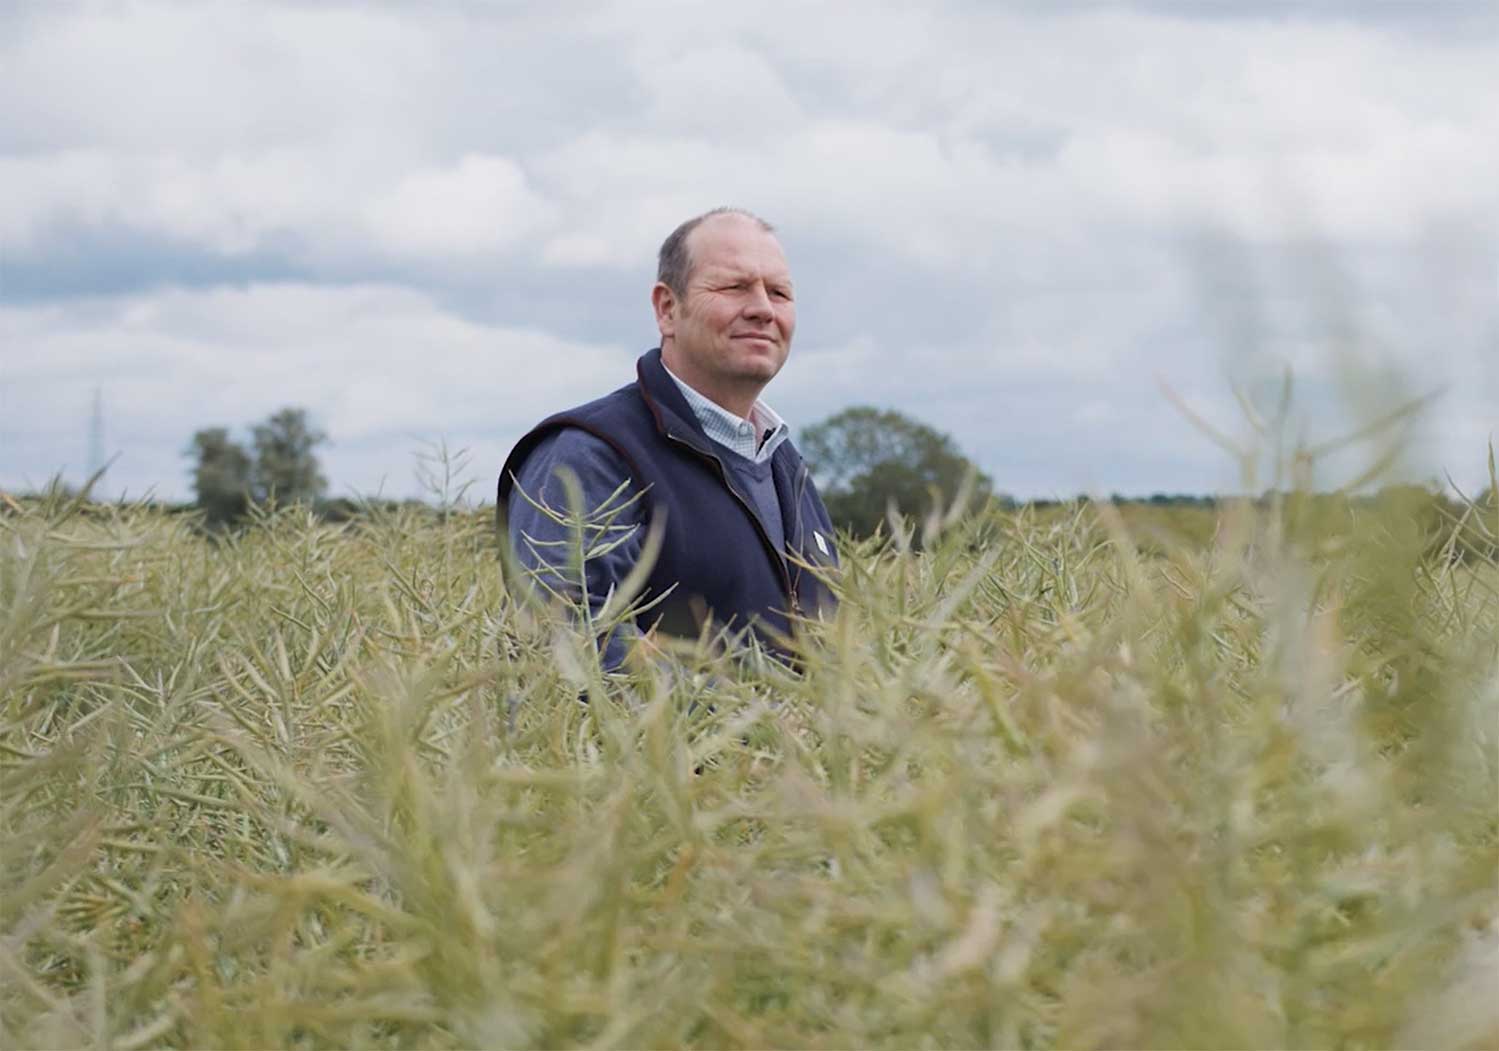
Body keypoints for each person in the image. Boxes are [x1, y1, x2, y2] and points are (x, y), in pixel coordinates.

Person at [498, 207, 838, 669]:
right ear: (667, 309)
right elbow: (562, 638)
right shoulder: (590, 455)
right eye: (734, 287)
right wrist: (754, 718)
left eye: (779, 293)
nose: (762, 308)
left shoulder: (785, 467)